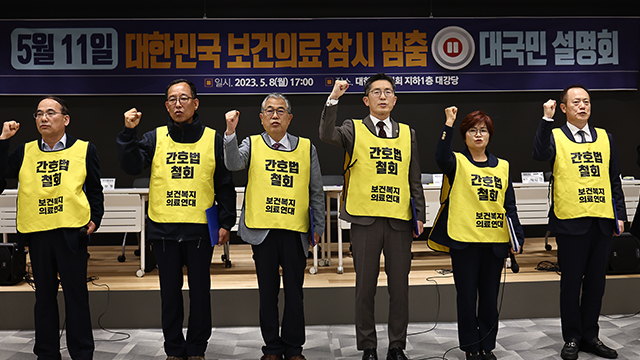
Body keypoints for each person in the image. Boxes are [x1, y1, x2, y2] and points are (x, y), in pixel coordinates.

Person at [116, 79, 236, 360]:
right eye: (172, 99)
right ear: (166, 105)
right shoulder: (153, 137)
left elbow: (225, 183)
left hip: (199, 228)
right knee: (169, 295)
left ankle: (196, 348)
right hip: (163, 228)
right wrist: (127, 134)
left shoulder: (213, 138)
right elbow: (132, 165)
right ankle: (173, 349)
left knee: (200, 294)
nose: (178, 104)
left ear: (196, 103)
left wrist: (226, 222)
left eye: (183, 98)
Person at [319, 74, 425, 360]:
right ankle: (368, 347)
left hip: (399, 221)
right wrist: (334, 99)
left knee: (400, 289)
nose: (382, 97)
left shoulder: (407, 133)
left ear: (394, 99)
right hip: (364, 220)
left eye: (387, 92)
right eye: (376, 92)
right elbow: (327, 134)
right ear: (366, 100)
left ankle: (397, 346)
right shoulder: (353, 129)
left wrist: (420, 214)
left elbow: (413, 177)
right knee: (365, 288)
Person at [0, 96, 104, 360]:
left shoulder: (84, 149)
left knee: (76, 297)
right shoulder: (24, 151)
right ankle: (46, 354)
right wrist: (3, 140)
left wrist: (96, 219)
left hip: (72, 234)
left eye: (50, 113)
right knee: (44, 299)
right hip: (38, 234)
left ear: (65, 119)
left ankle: (82, 353)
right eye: (38, 114)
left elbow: (94, 189)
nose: (43, 118)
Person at [223, 93, 325, 360]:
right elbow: (233, 163)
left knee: (295, 293)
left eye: (281, 111)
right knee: (267, 293)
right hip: (263, 232)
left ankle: (294, 348)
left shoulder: (306, 147)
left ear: (290, 117)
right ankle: (272, 347)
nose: (275, 115)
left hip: (295, 231)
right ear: (261, 118)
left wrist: (319, 226)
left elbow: (316, 190)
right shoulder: (251, 143)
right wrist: (230, 133)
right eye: (269, 111)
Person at [533, 84, 625, 360]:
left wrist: (620, 215)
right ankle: (572, 337)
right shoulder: (556, 136)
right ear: (563, 108)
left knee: (597, 283)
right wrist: (546, 120)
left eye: (586, 101)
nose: (582, 106)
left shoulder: (605, 138)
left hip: (601, 220)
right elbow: (539, 154)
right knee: (571, 283)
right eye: (575, 102)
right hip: (571, 222)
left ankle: (591, 336)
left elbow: (614, 179)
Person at [427, 107, 524, 360]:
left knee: (490, 300)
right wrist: (448, 123)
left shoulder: (502, 166)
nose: (478, 135)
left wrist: (517, 238)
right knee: (467, 299)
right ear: (464, 135)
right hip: (465, 243)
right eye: (472, 130)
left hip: (494, 243)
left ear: (489, 135)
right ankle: (471, 348)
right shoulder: (457, 162)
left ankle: (487, 346)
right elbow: (440, 156)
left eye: (483, 130)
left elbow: (509, 205)